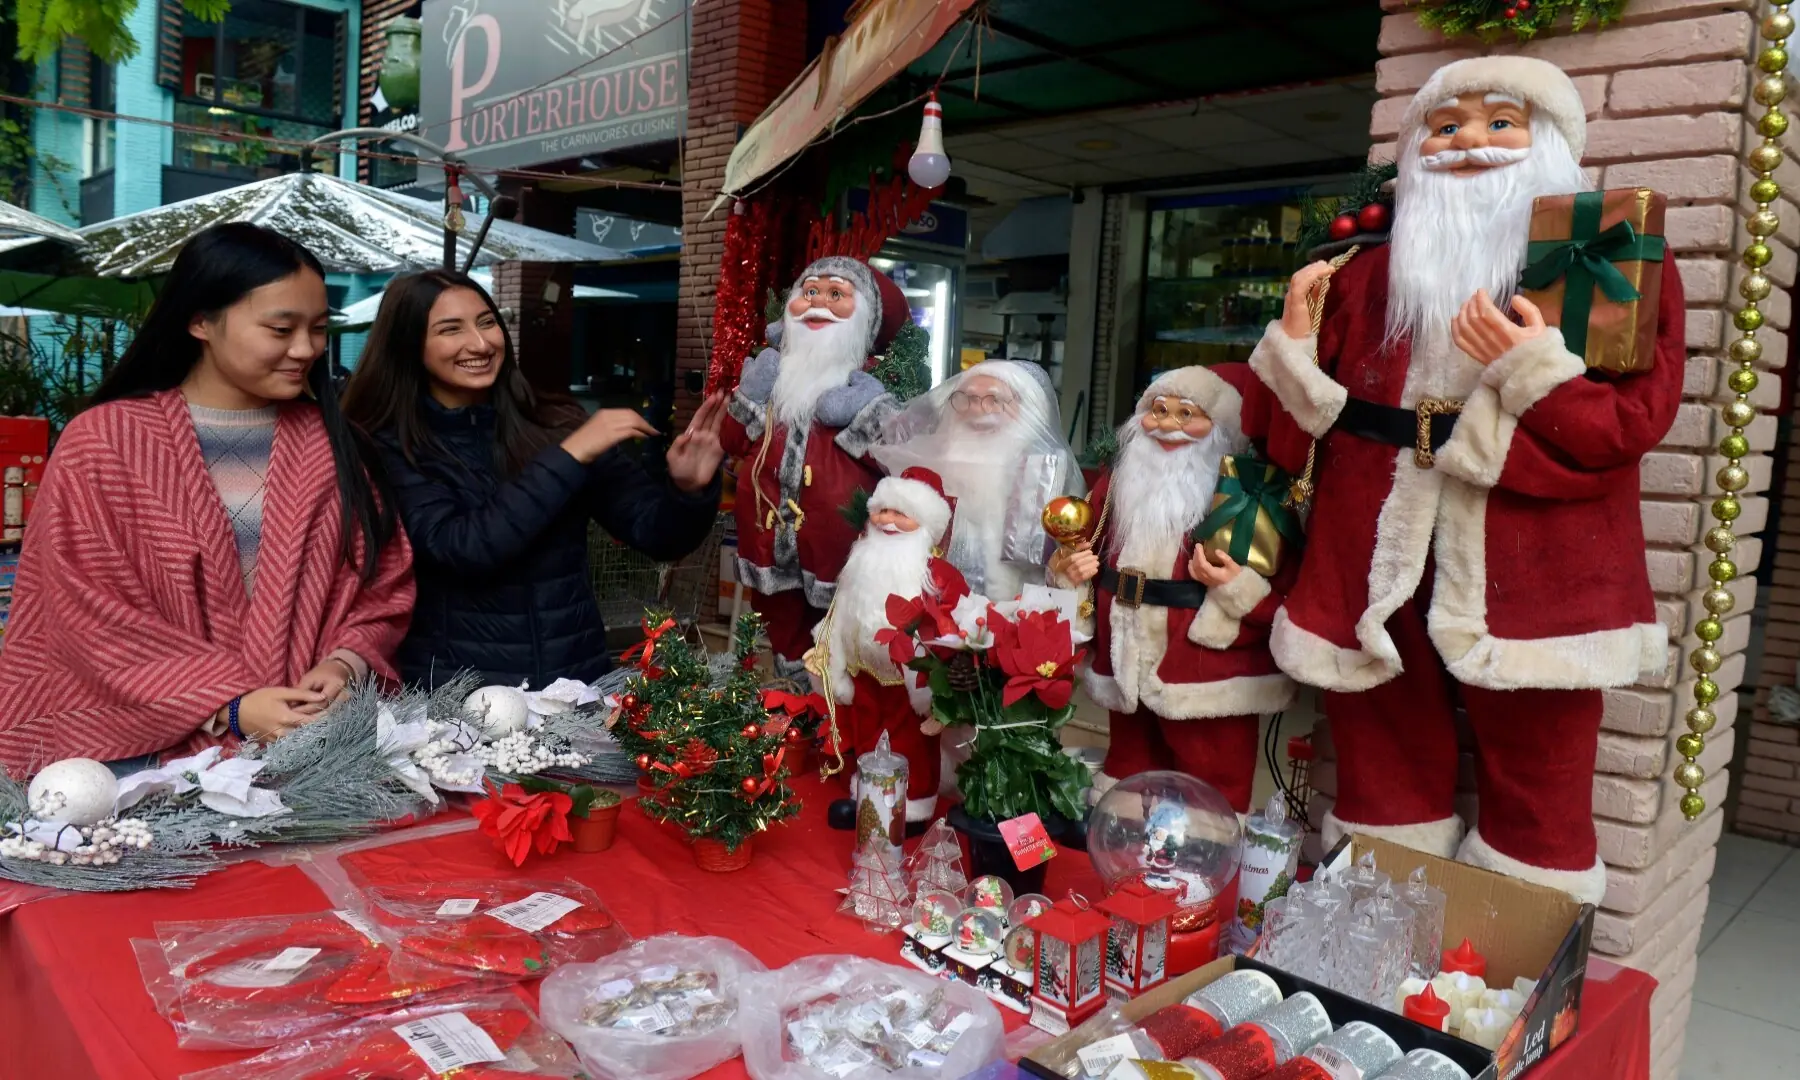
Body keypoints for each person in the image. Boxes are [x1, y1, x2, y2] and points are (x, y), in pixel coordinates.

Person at [1245, 57, 1684, 902]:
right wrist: (1296, 338)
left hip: (1538, 566)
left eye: (1500, 122)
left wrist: (1530, 368)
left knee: (1541, 770)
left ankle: (1519, 943)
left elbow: (1627, 426)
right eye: (1446, 127)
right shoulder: (1362, 275)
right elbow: (1284, 434)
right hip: (1372, 554)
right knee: (1379, 755)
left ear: (1548, 143)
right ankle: (1373, 919)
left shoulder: (1607, 266)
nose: (1469, 143)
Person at [0, 223, 415, 776]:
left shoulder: (336, 443)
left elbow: (382, 580)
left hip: (317, 751)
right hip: (140, 768)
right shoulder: (106, 443)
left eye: (318, 328)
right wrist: (229, 704)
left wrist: (345, 663)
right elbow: (85, 611)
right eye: (280, 328)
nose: (305, 349)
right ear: (200, 321)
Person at [341, 270, 724, 689]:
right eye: (451, 330)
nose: (481, 343)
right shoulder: (387, 446)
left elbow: (656, 535)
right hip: (457, 698)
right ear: (410, 346)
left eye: (487, 322)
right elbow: (463, 547)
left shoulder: (556, 423)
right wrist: (570, 456)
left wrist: (689, 490)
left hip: (574, 686)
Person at [1047, 364, 1295, 814]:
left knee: (1211, 784)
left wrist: (1238, 586)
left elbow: (1285, 590)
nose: (1167, 424)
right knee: (1128, 775)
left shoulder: (1249, 494)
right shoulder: (1120, 482)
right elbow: (1084, 542)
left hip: (1205, 667)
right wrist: (1070, 568)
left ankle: (1206, 860)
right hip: (1126, 656)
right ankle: (1121, 856)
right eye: (1159, 410)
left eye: (1187, 414)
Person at [721, 256, 912, 683]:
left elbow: (898, 463)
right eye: (810, 291)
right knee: (784, 636)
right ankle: (796, 709)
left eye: (836, 294)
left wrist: (865, 412)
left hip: (837, 546)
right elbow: (731, 441)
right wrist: (752, 391)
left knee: (840, 643)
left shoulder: (868, 388)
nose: (818, 303)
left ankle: (835, 720)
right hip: (768, 537)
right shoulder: (772, 376)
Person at [810, 467, 966, 825]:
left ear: (925, 524)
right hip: (863, 673)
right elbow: (840, 609)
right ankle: (870, 801)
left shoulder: (937, 575)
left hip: (909, 682)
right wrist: (829, 653)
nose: (888, 521)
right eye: (883, 511)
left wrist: (941, 687)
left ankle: (910, 809)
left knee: (909, 744)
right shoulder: (860, 562)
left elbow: (956, 625)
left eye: (901, 514)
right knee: (867, 738)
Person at [873, 359, 1083, 601]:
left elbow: (1064, 561)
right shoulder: (930, 465)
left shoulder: (1046, 473)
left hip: (1018, 611)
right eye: (968, 399)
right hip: (937, 607)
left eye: (995, 400)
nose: (978, 409)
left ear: (1028, 406)